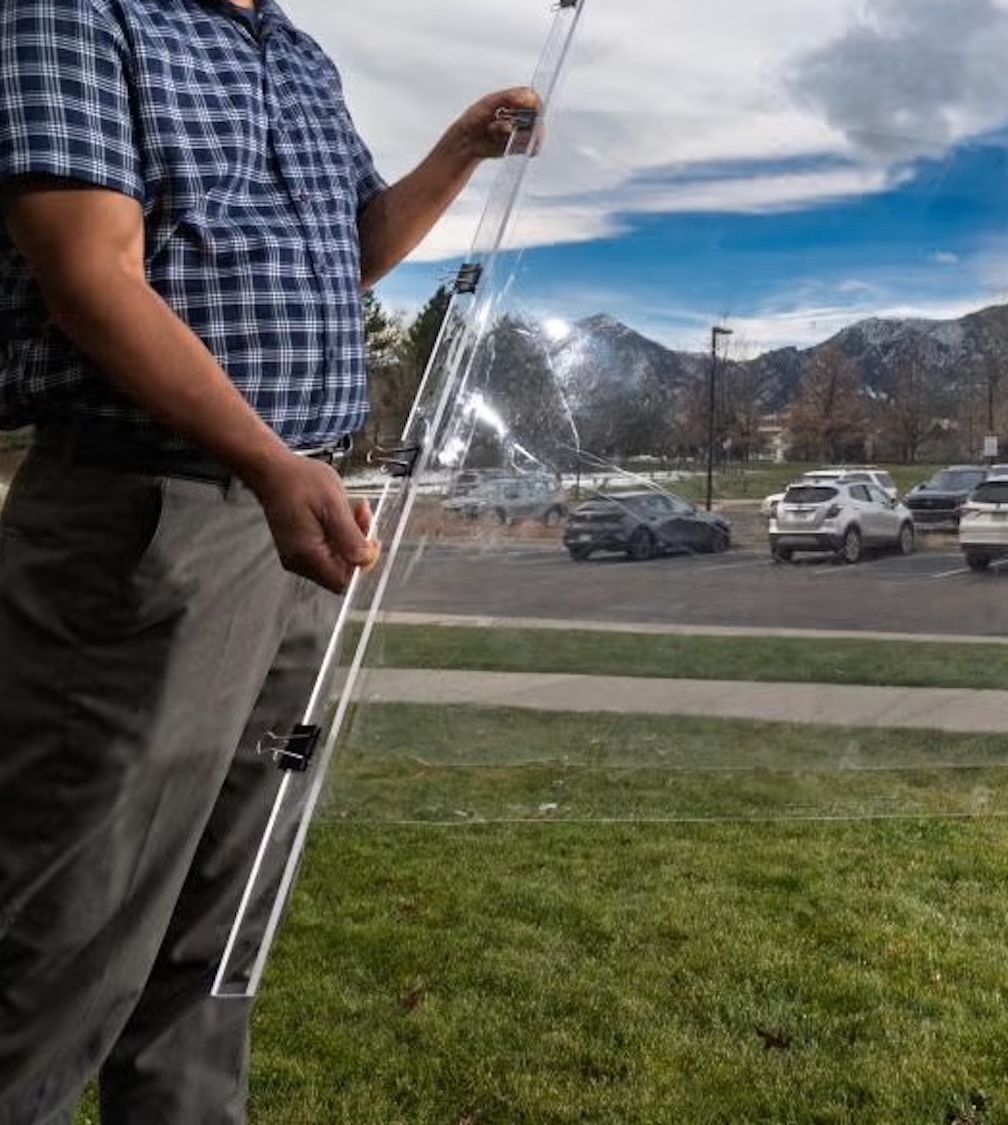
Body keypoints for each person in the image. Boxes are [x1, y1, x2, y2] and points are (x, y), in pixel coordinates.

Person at [0, 1, 537, 1120]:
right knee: (68, 919)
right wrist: (263, 460)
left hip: (293, 514)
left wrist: (456, 154)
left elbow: (354, 255)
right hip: (145, 520)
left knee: (227, 909)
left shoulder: (294, 52)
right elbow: (88, 274)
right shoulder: (78, 13)